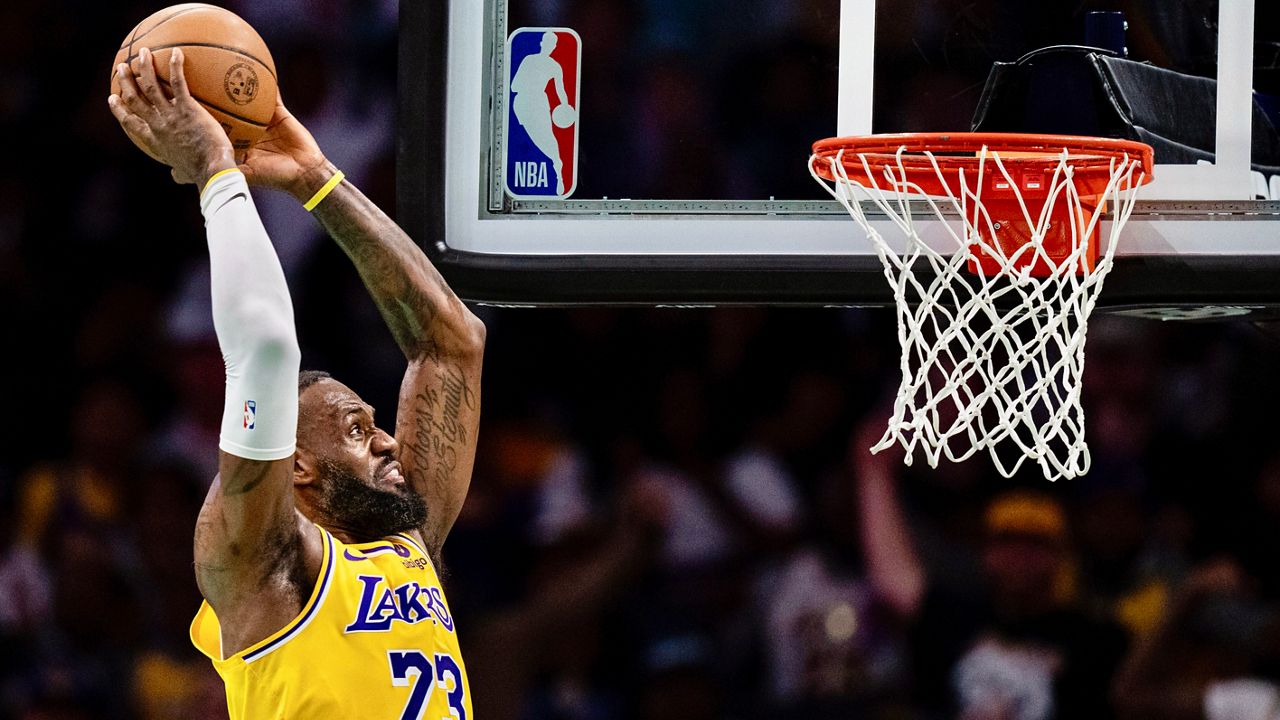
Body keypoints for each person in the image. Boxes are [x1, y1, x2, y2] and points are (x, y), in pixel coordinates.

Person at [107, 48, 485, 718]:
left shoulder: (408, 546)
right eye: (355, 428)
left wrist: (316, 178)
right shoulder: (263, 563)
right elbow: (266, 349)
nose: (391, 443)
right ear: (298, 464)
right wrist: (214, 171)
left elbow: (453, 344)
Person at [851, 421, 1128, 719]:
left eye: (1036, 542)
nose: (1020, 554)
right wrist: (874, 472)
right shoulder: (956, 618)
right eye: (1007, 540)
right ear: (986, 553)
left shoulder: (1095, 639)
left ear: (1060, 556)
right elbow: (893, 580)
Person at [511, 31, 571, 195]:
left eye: (552, 44)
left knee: (548, 138)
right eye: (548, 43)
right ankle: (555, 166)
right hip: (523, 104)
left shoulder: (554, 66)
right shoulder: (529, 60)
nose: (549, 47)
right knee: (530, 138)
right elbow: (513, 86)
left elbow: (561, 91)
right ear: (542, 43)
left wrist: (565, 107)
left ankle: (558, 171)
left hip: (538, 103)